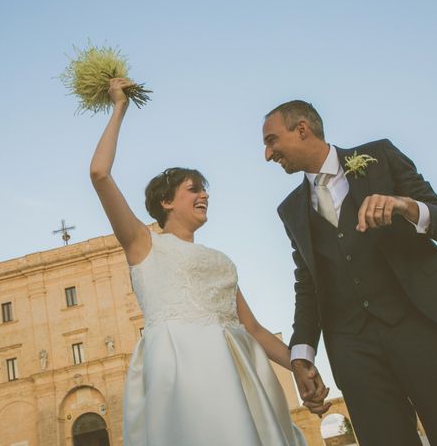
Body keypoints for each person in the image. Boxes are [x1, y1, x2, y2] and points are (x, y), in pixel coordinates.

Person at [263, 99, 437, 445]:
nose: (268, 154)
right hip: (351, 349)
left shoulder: (380, 156)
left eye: (271, 140)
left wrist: (405, 206)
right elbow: (308, 286)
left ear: (302, 129)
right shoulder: (290, 209)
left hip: (421, 326)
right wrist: (301, 355)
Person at [89, 78, 306, 445]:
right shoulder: (142, 245)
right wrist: (118, 107)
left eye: (204, 189)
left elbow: (252, 328)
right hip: (180, 373)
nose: (204, 194)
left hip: (238, 372)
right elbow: (100, 174)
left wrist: (299, 366)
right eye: (193, 189)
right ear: (167, 202)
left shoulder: (221, 261)